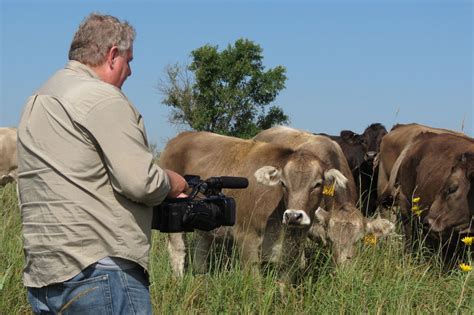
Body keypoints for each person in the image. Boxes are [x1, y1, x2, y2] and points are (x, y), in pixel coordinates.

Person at [17, 12, 187, 314]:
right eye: (129, 60)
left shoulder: (38, 99)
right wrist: (174, 182)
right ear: (112, 55)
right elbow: (141, 181)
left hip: (44, 278)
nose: (131, 71)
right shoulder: (102, 98)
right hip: (99, 273)